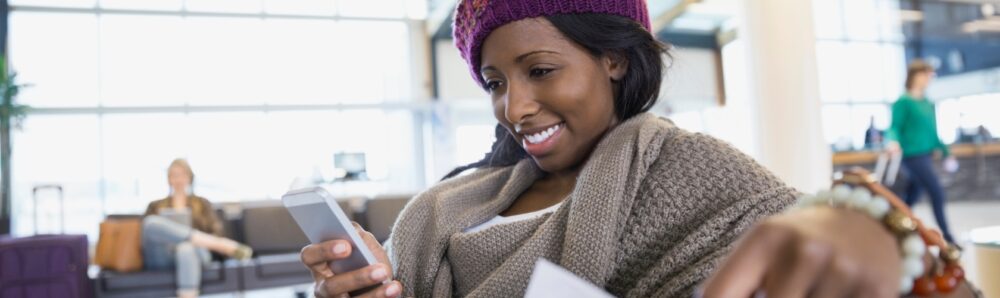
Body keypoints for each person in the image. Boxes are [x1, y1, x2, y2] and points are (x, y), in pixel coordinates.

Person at [299, 1, 975, 297]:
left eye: (540, 71)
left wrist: (880, 231)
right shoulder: (446, 204)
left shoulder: (698, 173)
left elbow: (821, 245)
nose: (515, 107)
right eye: (496, 83)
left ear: (615, 60)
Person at [142, 158, 252, 298]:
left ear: (189, 177)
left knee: (186, 248)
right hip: (164, 255)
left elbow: (216, 231)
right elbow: (148, 236)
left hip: (196, 253)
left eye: (182, 174)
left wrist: (190, 242)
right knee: (150, 222)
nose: (178, 179)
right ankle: (220, 245)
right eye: (174, 175)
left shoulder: (202, 204)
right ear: (168, 178)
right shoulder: (155, 206)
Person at [885, 60, 958, 243]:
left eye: (930, 75)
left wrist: (946, 153)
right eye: (926, 74)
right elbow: (894, 128)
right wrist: (892, 141)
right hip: (911, 157)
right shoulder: (903, 102)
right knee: (936, 191)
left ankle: (892, 228)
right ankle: (948, 238)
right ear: (915, 75)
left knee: (912, 196)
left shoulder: (927, 103)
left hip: (926, 155)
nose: (928, 79)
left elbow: (933, 132)